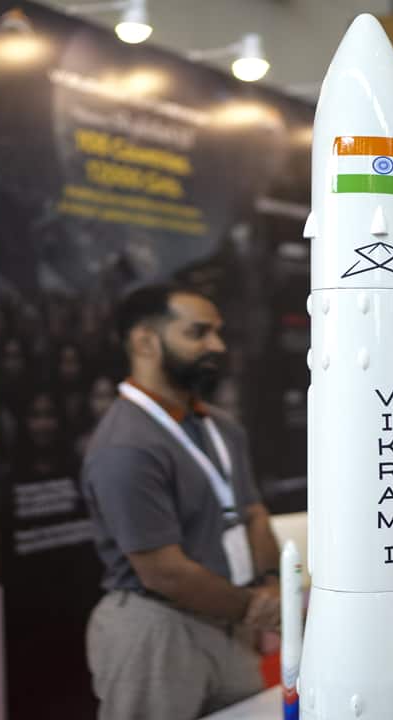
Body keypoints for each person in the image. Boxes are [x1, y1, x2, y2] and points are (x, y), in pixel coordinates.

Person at [81, 283, 281, 719]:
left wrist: (268, 582)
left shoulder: (222, 427)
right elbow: (162, 572)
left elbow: (253, 513)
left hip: (232, 624)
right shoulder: (126, 445)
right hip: (158, 631)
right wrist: (259, 609)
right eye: (199, 333)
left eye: (218, 333)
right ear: (145, 341)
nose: (218, 346)